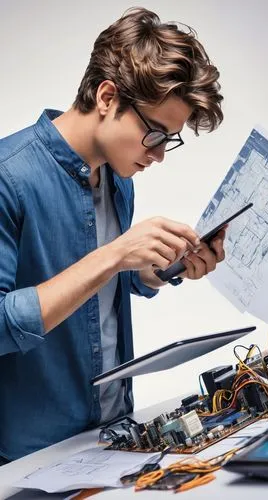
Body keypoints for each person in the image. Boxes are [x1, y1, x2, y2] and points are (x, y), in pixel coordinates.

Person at [0, 7, 225, 463]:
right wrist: (114, 254)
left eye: (170, 140)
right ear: (107, 96)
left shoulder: (118, 178)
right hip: (28, 461)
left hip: (113, 438)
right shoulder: (9, 176)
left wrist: (160, 271)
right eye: (155, 135)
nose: (160, 156)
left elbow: (106, 291)